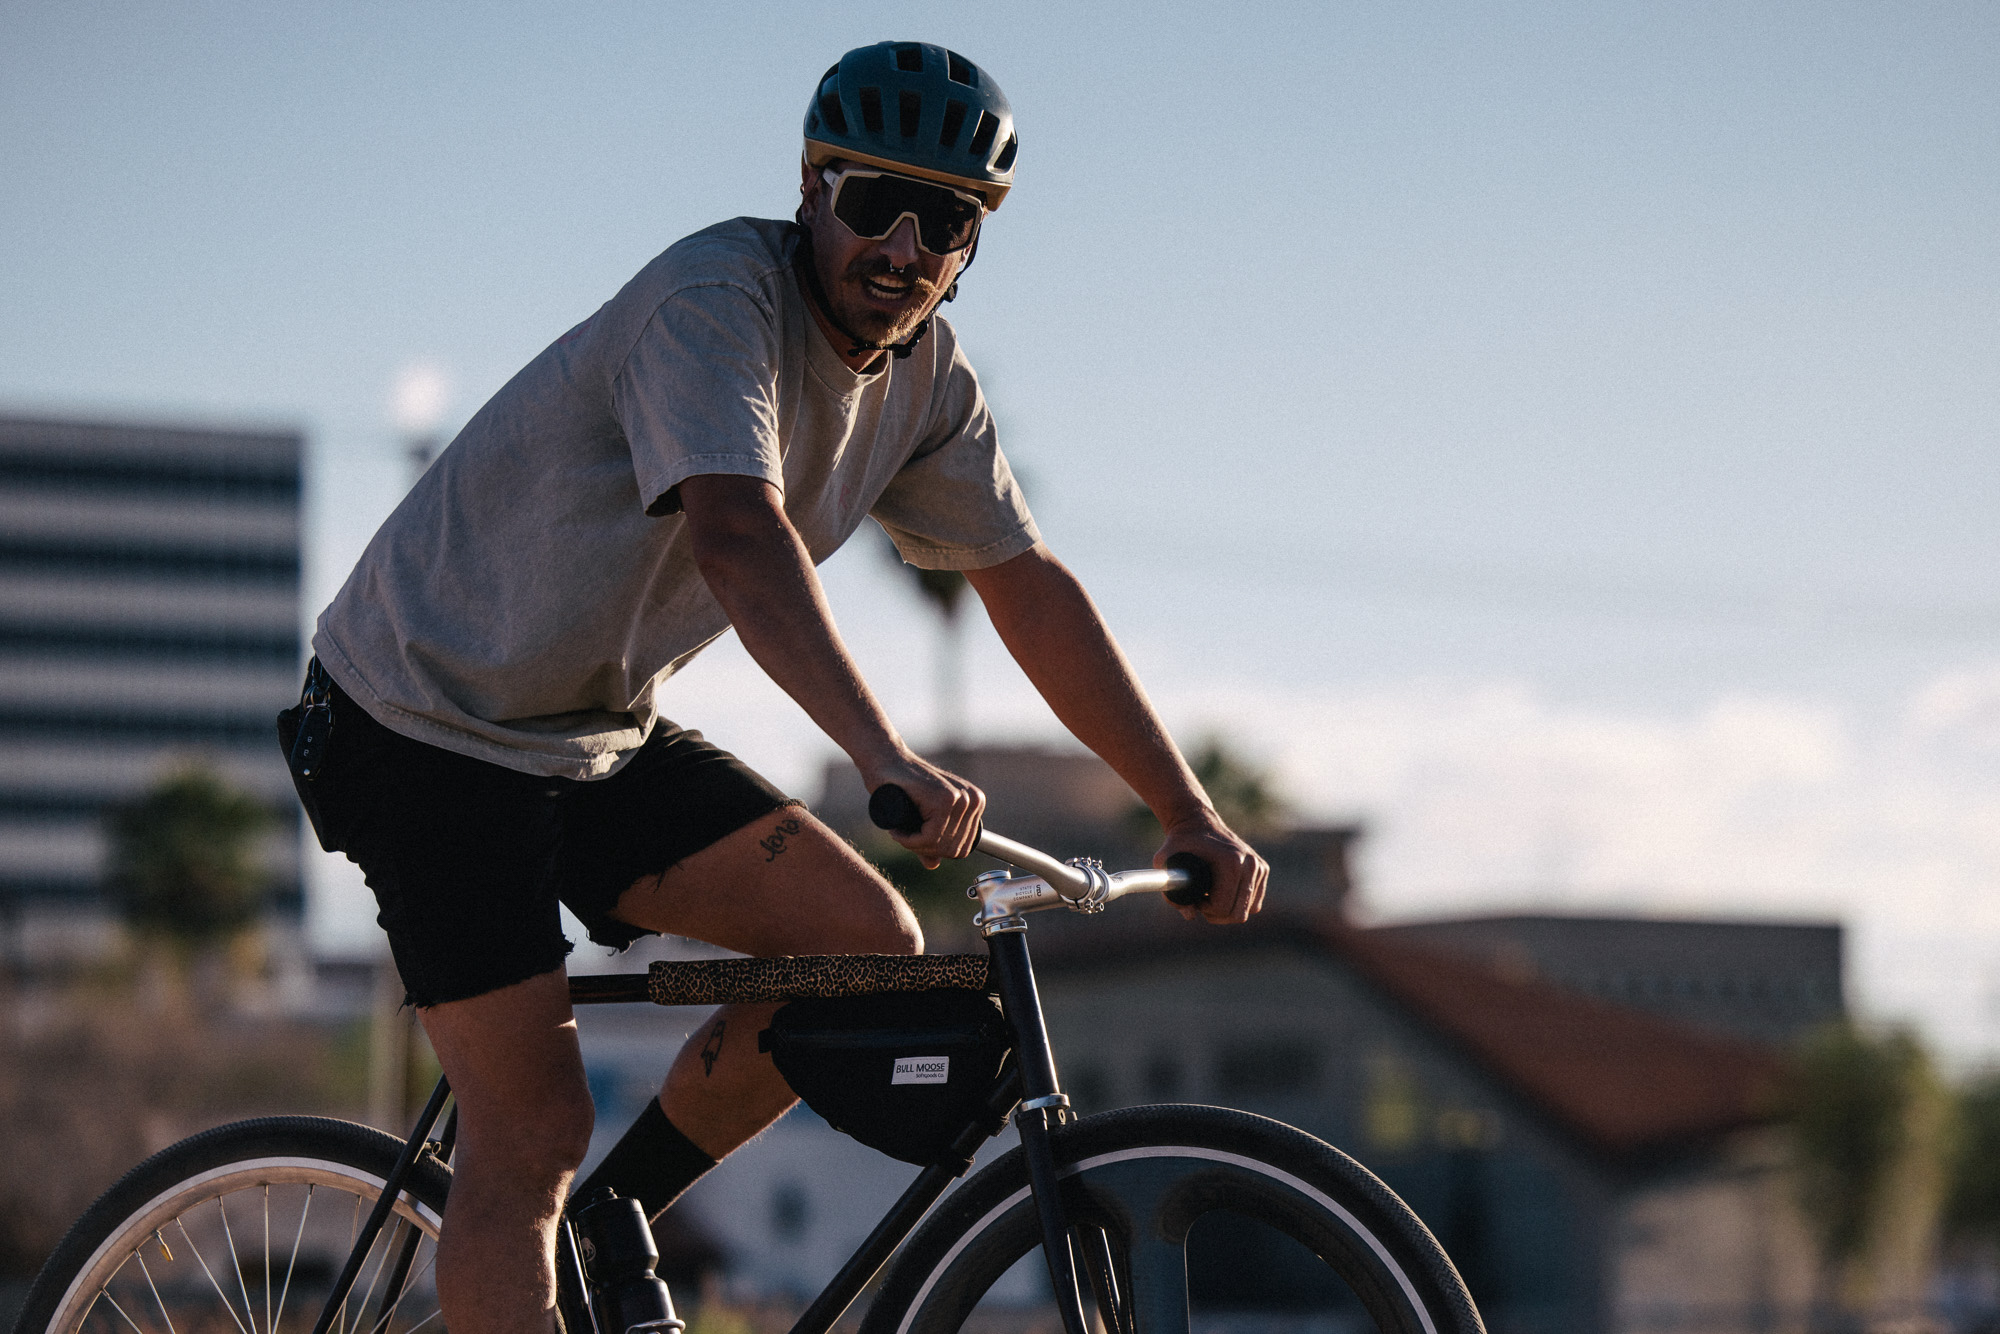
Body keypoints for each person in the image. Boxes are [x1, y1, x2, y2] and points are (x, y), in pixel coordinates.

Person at [295, 40, 1269, 1334]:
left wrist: (1184, 808)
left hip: (588, 733)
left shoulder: (928, 383)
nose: (908, 246)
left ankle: (606, 1225)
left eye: (951, 222)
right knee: (528, 1129)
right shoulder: (717, 302)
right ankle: (548, 1209)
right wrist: (883, 755)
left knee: (867, 948)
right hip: (417, 722)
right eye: (878, 203)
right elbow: (738, 534)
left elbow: (1025, 586)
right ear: (813, 188)